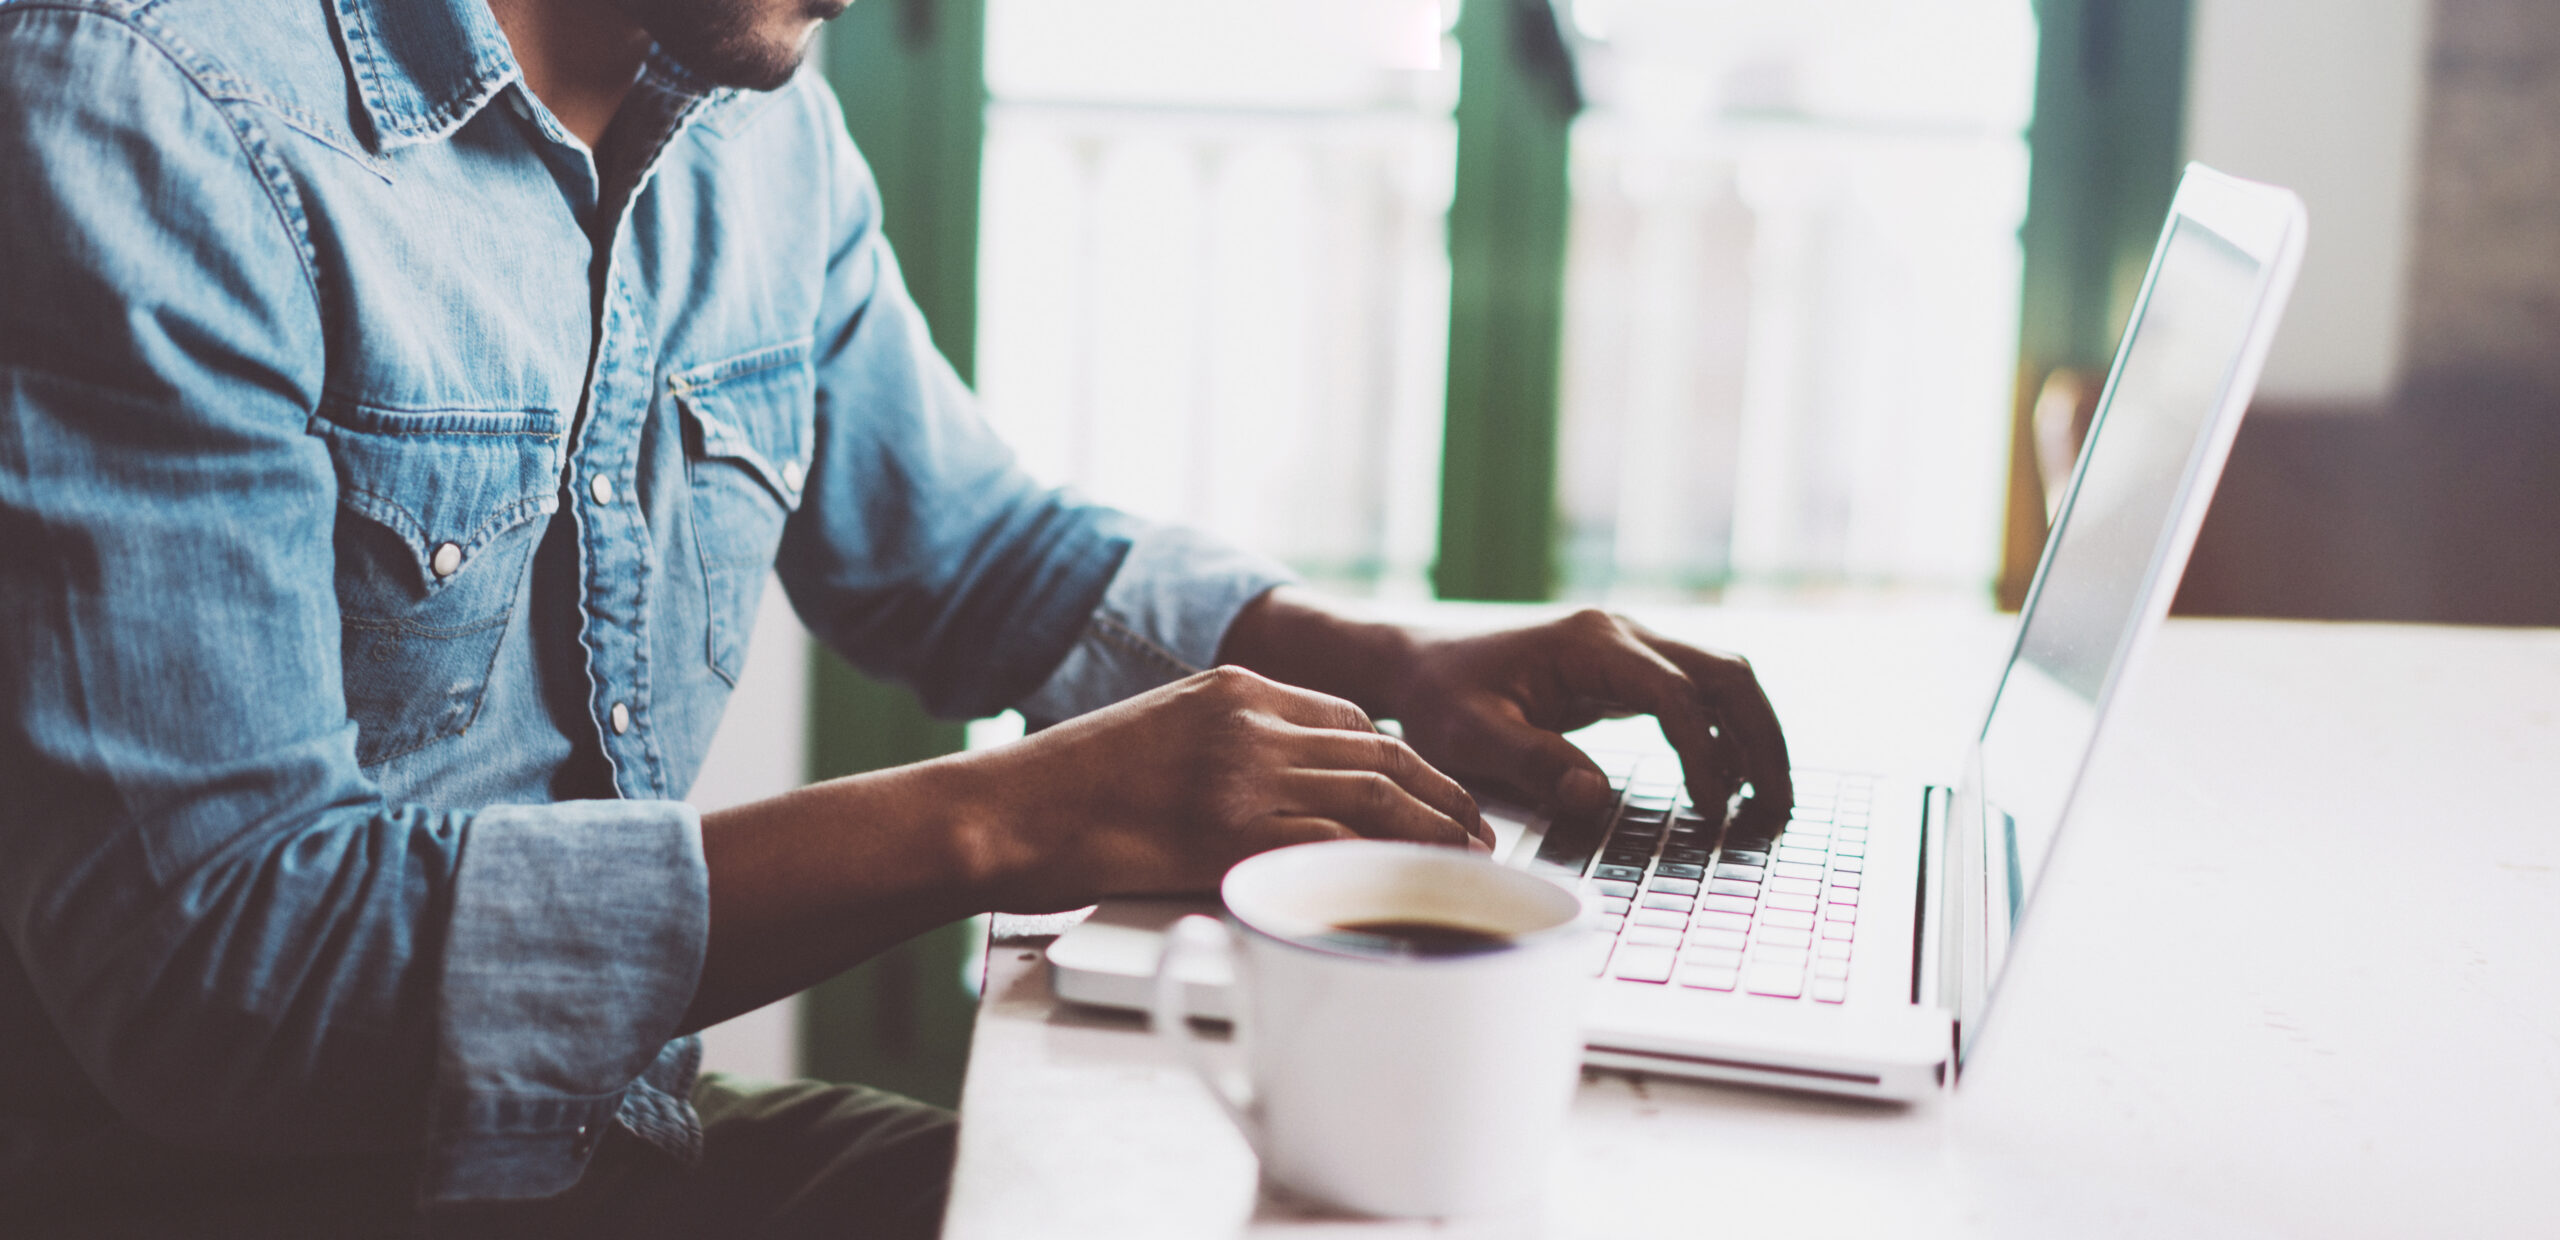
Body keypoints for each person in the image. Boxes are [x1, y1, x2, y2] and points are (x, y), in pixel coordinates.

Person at [0, 0, 1792, 1233]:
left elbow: (975, 555)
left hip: (607, 1158)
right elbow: (208, 968)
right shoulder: (143, 110)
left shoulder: (748, 118)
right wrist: (1010, 817)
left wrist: (1385, 663)